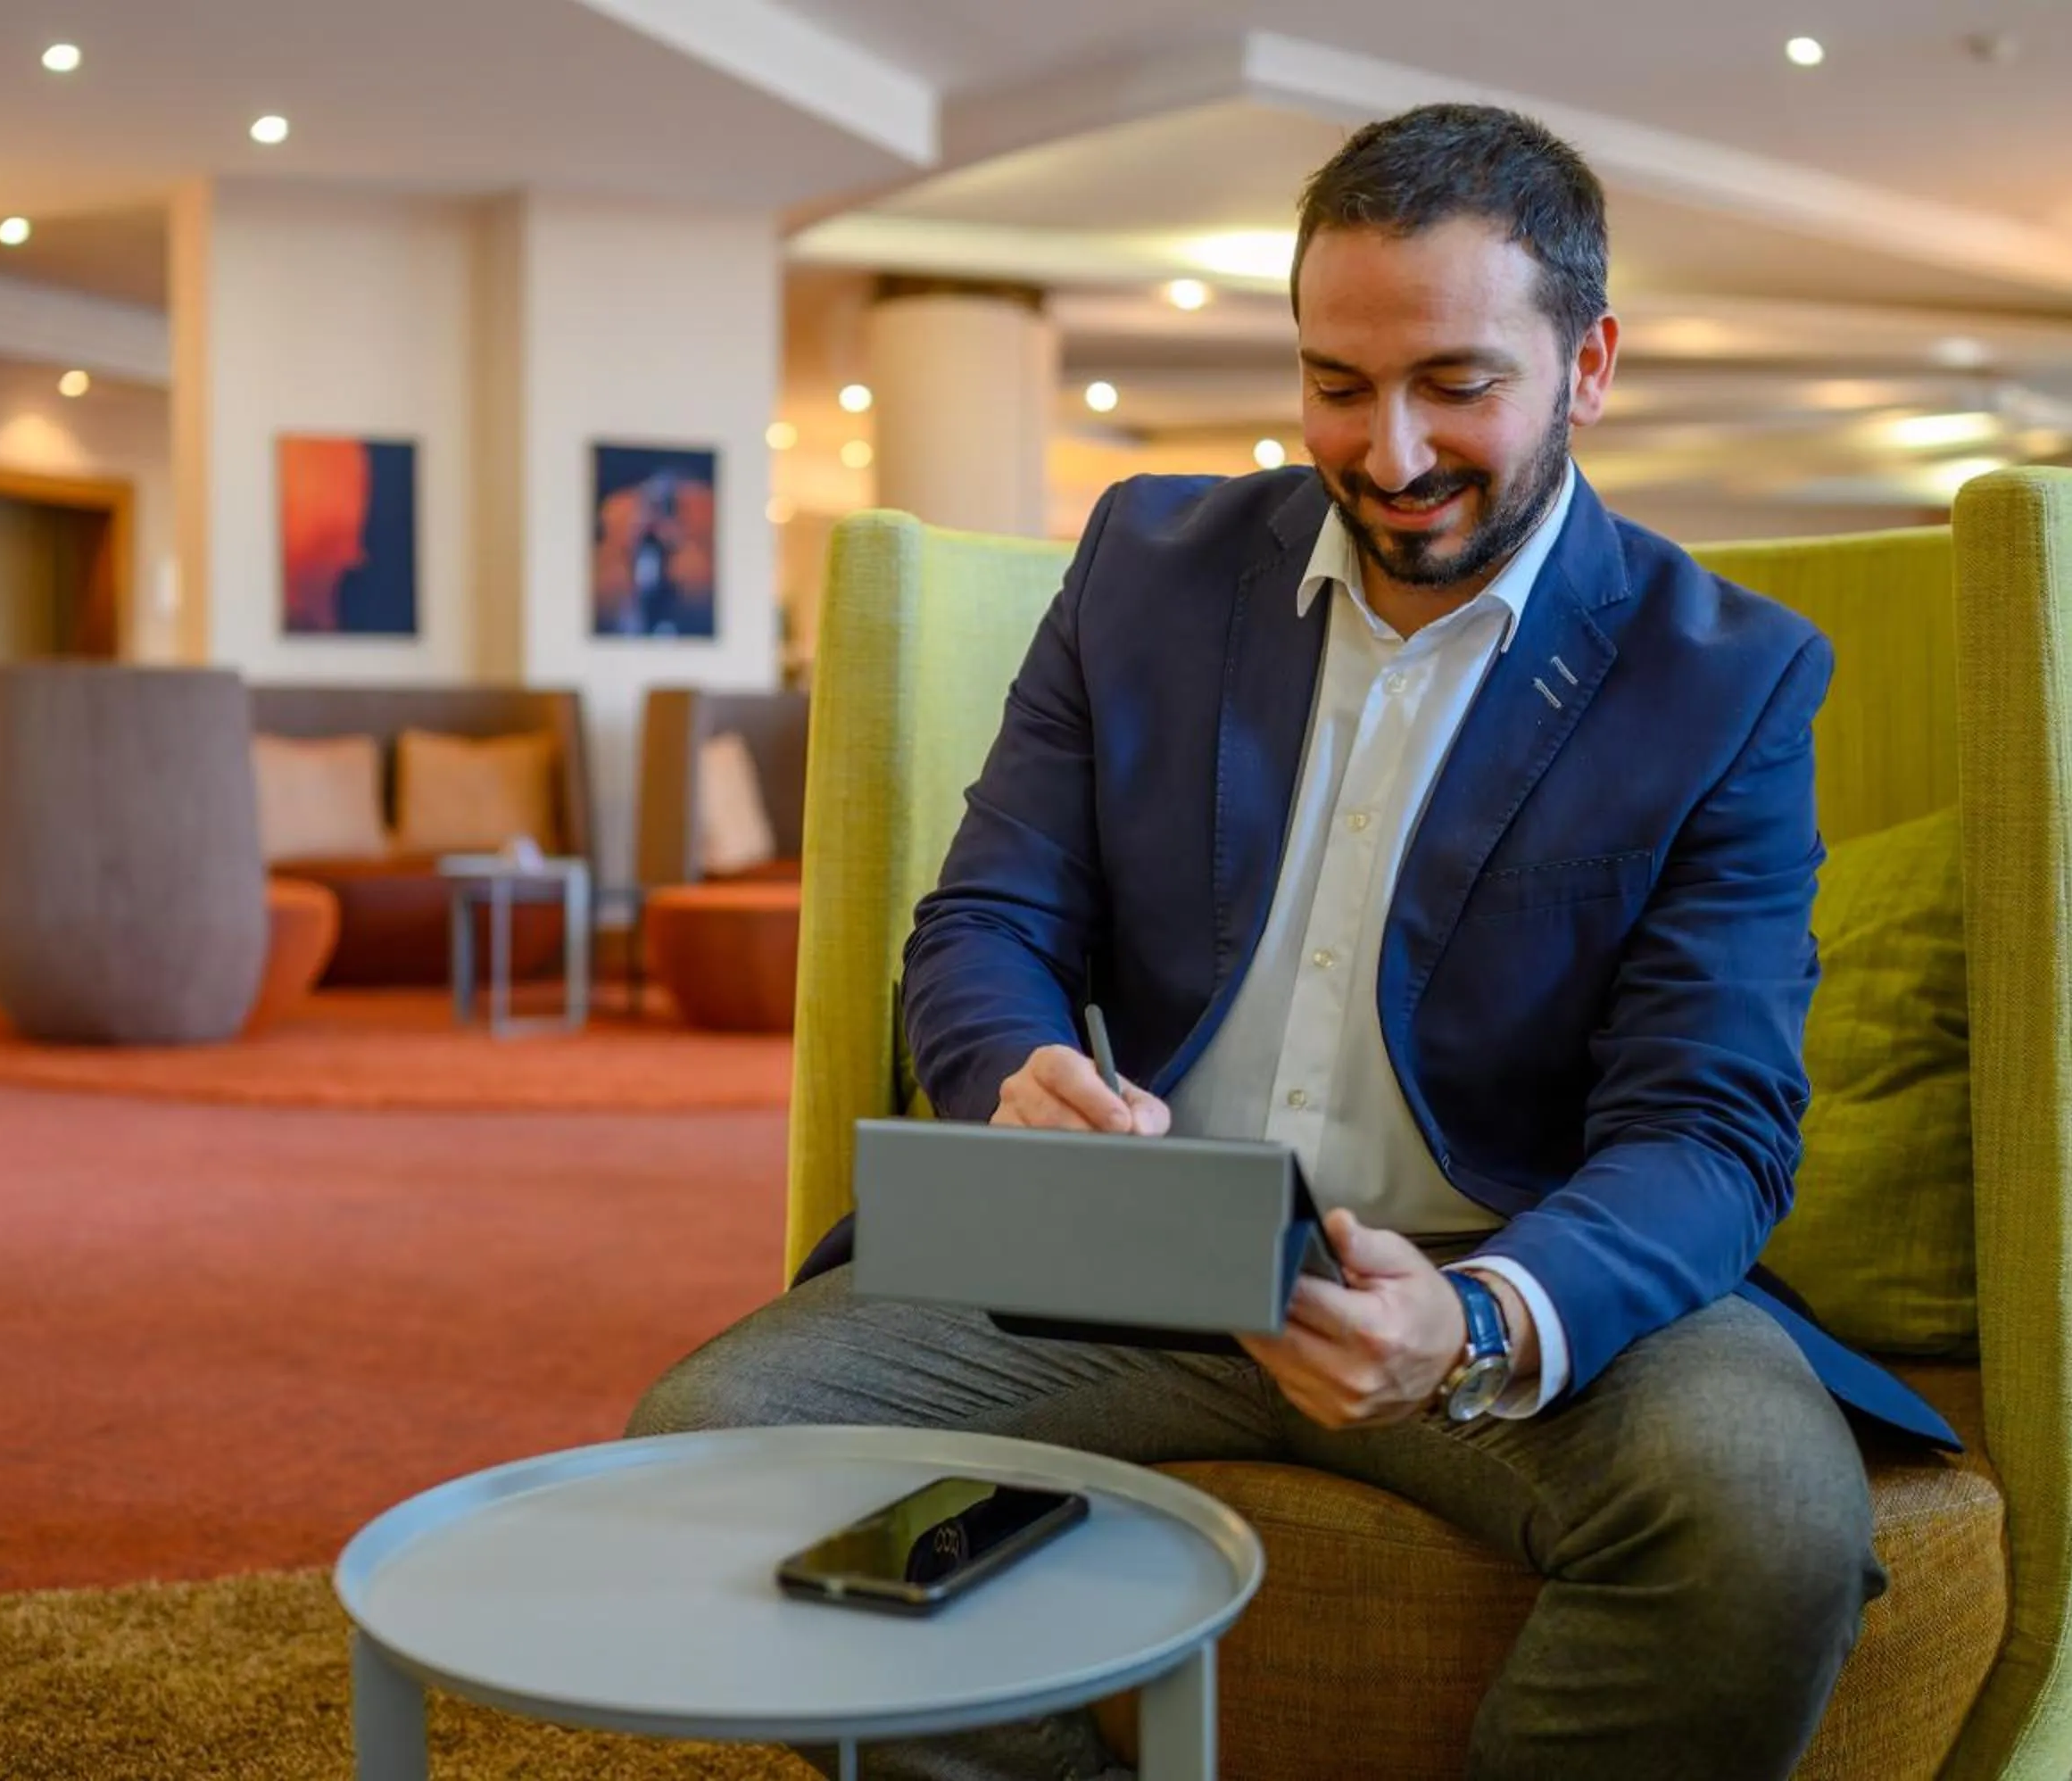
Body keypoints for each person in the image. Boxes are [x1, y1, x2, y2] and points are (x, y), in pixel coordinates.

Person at [628, 102, 1955, 1781]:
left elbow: (1713, 1125)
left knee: (1761, 1522)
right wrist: (1008, 1069)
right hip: (1133, 1268)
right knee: (701, 1450)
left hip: (1510, 1272)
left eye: (1457, 385)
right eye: (1338, 382)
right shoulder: (1145, 567)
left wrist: (1479, 1319)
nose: (1388, 452)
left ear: (1590, 363)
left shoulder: (1729, 677)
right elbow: (988, 923)